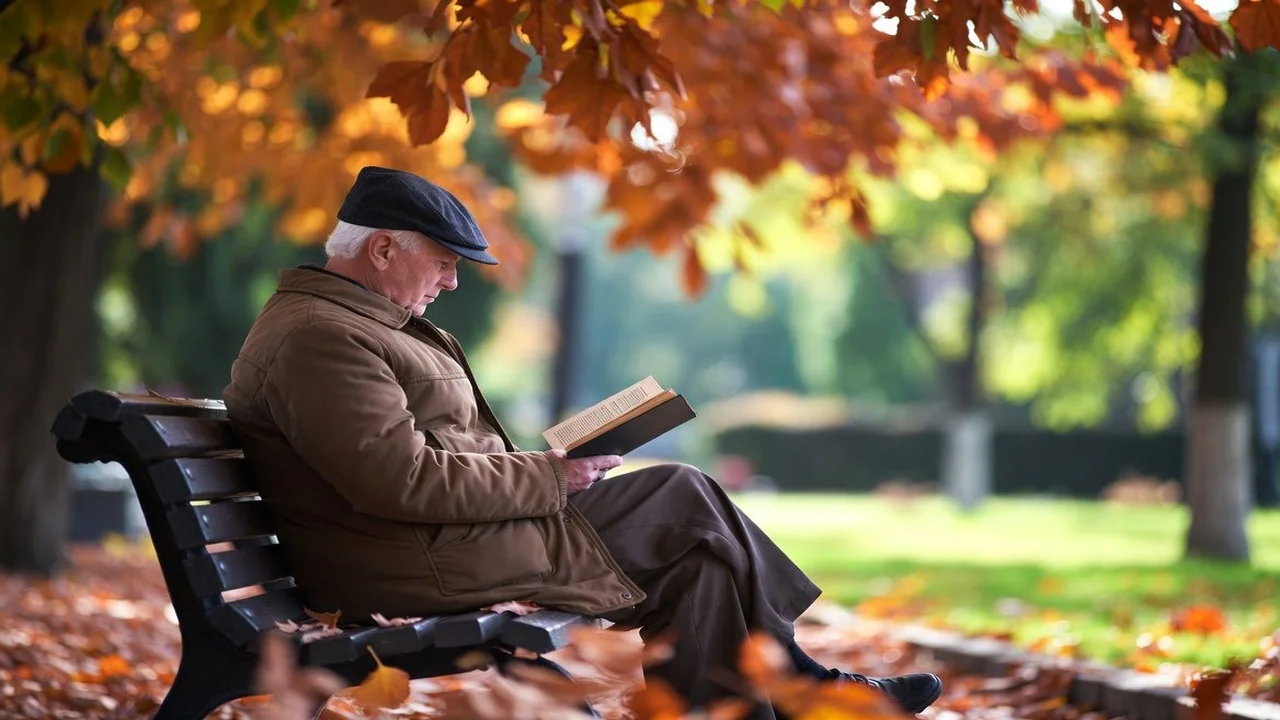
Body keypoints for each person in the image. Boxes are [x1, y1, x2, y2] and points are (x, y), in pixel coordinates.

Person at [223, 166, 942, 718]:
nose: (449, 280)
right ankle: (807, 688)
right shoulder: (324, 338)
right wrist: (550, 477)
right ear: (382, 249)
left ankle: (787, 693)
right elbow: (398, 481)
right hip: (417, 564)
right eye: (444, 261)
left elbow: (416, 461)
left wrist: (551, 466)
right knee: (682, 494)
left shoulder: (349, 325)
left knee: (700, 566)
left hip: (447, 542)